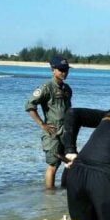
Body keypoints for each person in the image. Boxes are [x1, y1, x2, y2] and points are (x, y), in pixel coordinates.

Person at [25, 55, 73, 189]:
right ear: (53, 70)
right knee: (53, 165)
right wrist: (42, 124)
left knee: (70, 162)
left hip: (67, 131)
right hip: (53, 132)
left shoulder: (67, 89)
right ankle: (50, 196)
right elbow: (29, 105)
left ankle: (65, 191)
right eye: (61, 70)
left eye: (66, 70)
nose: (64, 73)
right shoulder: (46, 87)